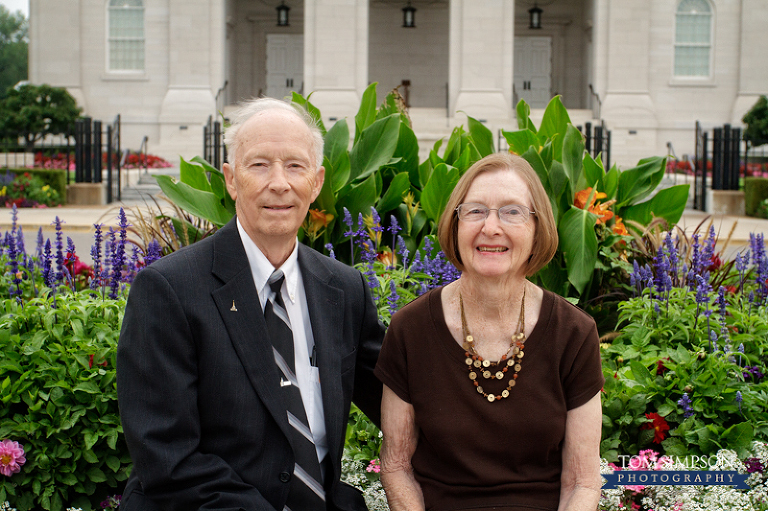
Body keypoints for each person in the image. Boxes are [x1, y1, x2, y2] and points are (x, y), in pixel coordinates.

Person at [117, 97, 384, 511]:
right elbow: (168, 455)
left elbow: (397, 396)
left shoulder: (344, 288)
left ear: (316, 182)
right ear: (231, 179)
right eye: (259, 165)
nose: (279, 183)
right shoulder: (168, 290)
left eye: (295, 166)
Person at [375, 152, 604, 511]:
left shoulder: (573, 333)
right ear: (455, 225)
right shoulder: (411, 329)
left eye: (512, 212)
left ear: (537, 227)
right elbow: (396, 466)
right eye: (475, 211)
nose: (491, 227)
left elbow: (582, 482)